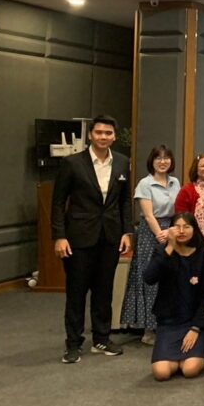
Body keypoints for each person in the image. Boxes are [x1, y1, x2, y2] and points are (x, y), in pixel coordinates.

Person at [52, 114, 132, 363]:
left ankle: (101, 338)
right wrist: (59, 236)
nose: (103, 137)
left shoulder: (122, 162)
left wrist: (127, 232)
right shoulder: (72, 163)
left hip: (110, 237)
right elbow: (58, 202)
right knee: (76, 292)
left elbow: (124, 202)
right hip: (78, 237)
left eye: (108, 133)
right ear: (90, 135)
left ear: (114, 137)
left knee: (104, 291)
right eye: (99, 132)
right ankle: (73, 343)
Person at [142, 213, 204, 381]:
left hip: (195, 322)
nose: (181, 231)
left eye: (186, 227)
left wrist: (196, 328)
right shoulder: (162, 252)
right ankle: (175, 359)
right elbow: (149, 278)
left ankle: (195, 354)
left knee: (190, 370)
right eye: (177, 227)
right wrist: (170, 247)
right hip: (169, 322)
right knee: (161, 373)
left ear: (194, 230)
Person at [122, 144, 180, 343]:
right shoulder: (145, 184)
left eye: (166, 158)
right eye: (158, 158)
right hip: (151, 233)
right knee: (151, 277)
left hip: (172, 230)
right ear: (151, 161)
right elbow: (148, 215)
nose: (162, 162)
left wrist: (172, 231)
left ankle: (166, 324)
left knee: (170, 278)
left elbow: (178, 209)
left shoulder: (175, 182)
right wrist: (161, 235)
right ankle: (149, 329)